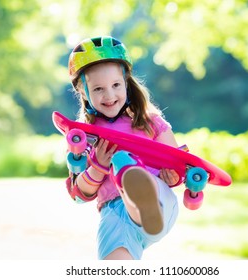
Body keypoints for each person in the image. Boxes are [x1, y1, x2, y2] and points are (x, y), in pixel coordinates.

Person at [65, 36, 181, 260]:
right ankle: (136, 198)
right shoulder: (84, 137)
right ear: (83, 92)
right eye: (98, 89)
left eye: (116, 85)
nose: (109, 95)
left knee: (121, 161)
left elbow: (176, 164)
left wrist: (172, 176)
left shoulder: (150, 122)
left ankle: (141, 200)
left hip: (160, 203)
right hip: (114, 217)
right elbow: (79, 194)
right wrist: (97, 166)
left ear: (126, 82)